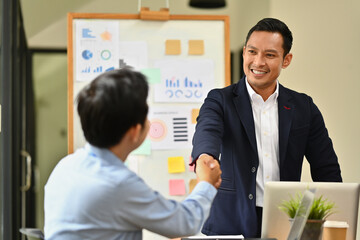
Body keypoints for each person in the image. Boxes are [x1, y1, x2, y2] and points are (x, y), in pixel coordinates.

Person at [191, 18, 342, 238]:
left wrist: (333, 224)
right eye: (252, 52)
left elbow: (327, 170)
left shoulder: (304, 107)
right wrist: (205, 158)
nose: (258, 62)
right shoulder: (220, 100)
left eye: (270, 55)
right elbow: (207, 133)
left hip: (286, 223)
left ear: (286, 59)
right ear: (244, 53)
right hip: (230, 223)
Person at [44, 68, 222, 240]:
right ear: (135, 131)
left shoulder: (65, 166)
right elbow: (185, 223)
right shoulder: (118, 184)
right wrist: (206, 183)